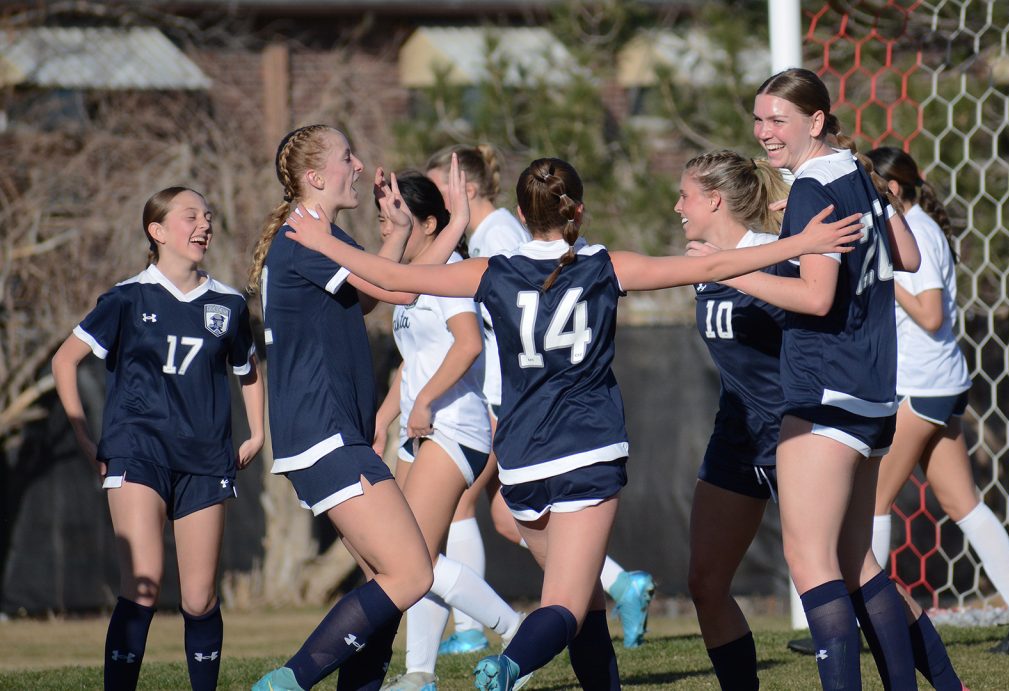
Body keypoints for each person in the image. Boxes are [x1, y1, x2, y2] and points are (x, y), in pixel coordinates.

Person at [284, 155, 862, 690]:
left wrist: (324, 244)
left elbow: (393, 282)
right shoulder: (604, 265)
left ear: (521, 214)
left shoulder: (492, 270)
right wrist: (807, 242)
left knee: (584, 607)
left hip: (521, 461)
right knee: (563, 604)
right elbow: (712, 264)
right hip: (585, 451)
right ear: (576, 211)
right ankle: (510, 662)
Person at [688, 67, 959, 690]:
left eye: (777, 120)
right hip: (872, 390)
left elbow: (814, 298)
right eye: (758, 119)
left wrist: (732, 269)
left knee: (812, 564)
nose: (764, 132)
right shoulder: (854, 172)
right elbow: (910, 258)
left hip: (825, 388)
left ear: (815, 120)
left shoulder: (815, 184)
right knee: (855, 564)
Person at [249, 125, 472, 691]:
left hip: (323, 432)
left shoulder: (320, 234)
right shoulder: (306, 237)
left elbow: (371, 293)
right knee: (412, 572)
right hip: (325, 432)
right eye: (347, 156)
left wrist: (396, 233)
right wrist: (459, 226)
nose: (359, 165)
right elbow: (403, 290)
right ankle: (288, 682)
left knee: (383, 579)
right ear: (316, 177)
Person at [425, 145, 656, 652]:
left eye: (444, 184)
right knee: (562, 593)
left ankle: (473, 635)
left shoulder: (501, 243)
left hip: (524, 422)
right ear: (576, 208)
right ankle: (520, 648)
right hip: (554, 427)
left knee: (482, 517)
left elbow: (406, 280)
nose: (437, 194)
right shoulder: (584, 259)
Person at [51, 186, 265, 691]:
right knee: (143, 586)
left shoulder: (228, 303)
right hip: (136, 451)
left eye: (208, 216)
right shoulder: (127, 297)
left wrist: (258, 432)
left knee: (198, 599)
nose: (204, 225)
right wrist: (85, 435)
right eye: (191, 216)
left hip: (206, 459)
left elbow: (248, 369)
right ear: (158, 231)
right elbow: (65, 360)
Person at [370, 171, 525, 691]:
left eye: (397, 220)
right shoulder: (410, 281)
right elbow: (411, 363)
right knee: (411, 560)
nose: (386, 229)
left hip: (455, 426)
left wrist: (429, 401)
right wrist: (384, 415)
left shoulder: (453, 269)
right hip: (420, 428)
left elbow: (468, 345)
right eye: (381, 219)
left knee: (412, 557)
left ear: (431, 223)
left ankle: (518, 635)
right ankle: (419, 673)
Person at [867, 146, 1009, 657]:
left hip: (923, 385)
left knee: (872, 500)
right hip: (938, 383)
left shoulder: (918, 232)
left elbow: (931, 315)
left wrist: (887, 285)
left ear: (891, 189)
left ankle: (863, 621)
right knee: (963, 504)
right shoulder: (910, 226)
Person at [676, 150, 790, 689]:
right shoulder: (700, 260)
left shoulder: (775, 254)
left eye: (686, 196)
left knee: (853, 575)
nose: (678, 207)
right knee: (706, 581)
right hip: (737, 437)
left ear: (714, 201)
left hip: (796, 434)